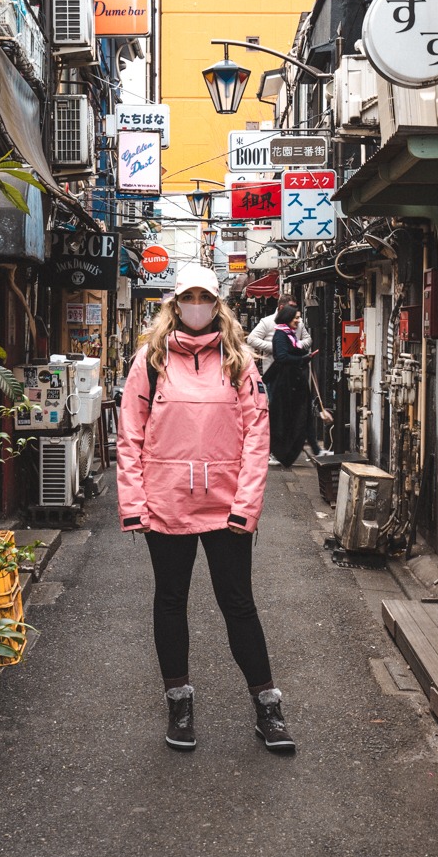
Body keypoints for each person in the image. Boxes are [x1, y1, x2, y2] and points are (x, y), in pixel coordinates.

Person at [117, 263, 296, 755]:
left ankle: (267, 707)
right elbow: (129, 436)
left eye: (205, 297)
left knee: (238, 605)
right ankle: (179, 703)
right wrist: (134, 503)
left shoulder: (240, 362)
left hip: (226, 506)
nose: (196, 304)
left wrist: (247, 506)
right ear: (175, 305)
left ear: (217, 305)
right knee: (170, 601)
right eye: (188, 297)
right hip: (166, 503)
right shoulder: (149, 362)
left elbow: (257, 441)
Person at [263, 304, 317, 468]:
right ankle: (279, 451)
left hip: (293, 381)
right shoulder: (281, 335)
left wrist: (304, 356)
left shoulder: (289, 334)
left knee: (300, 414)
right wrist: (303, 359)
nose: (298, 321)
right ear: (287, 318)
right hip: (285, 384)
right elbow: (281, 357)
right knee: (286, 416)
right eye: (296, 317)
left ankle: (313, 448)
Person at [246, 295, 311, 373]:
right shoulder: (267, 321)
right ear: (281, 308)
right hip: (274, 373)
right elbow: (251, 339)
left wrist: (296, 345)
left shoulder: (298, 321)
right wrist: (275, 347)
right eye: (290, 307)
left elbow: (308, 339)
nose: (294, 310)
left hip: (294, 371)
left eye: (295, 307)